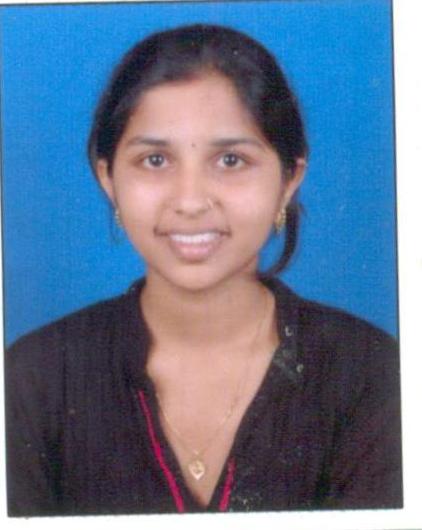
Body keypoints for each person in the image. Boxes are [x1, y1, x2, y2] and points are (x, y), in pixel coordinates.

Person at [5, 23, 402, 516]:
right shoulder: (34, 378)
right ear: (108, 178)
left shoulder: (371, 375)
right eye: (155, 160)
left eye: (231, 160)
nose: (190, 201)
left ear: (288, 179)